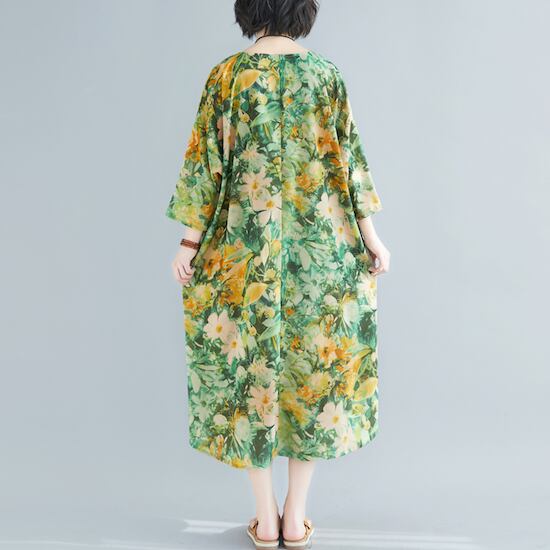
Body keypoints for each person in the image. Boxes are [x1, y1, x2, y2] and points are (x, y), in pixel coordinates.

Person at [165, 0, 390, 548]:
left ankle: (265, 518)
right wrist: (372, 238)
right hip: (322, 256)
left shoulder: (227, 78)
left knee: (250, 378)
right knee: (314, 377)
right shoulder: (326, 76)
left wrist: (189, 243)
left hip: (244, 258)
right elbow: (350, 163)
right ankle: (296, 516)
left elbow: (204, 166)